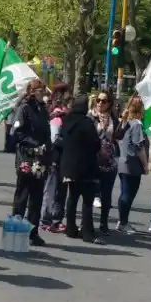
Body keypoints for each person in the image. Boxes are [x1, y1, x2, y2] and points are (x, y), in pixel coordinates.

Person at [11, 79, 51, 247]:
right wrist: (34, 145)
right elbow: (18, 133)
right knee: (22, 195)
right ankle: (16, 230)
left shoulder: (42, 109)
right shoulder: (25, 108)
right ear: (33, 91)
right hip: (27, 158)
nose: (44, 93)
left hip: (41, 159)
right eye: (41, 90)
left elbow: (46, 132)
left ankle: (32, 232)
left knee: (37, 196)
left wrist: (47, 148)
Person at [60, 95, 104, 244]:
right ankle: (87, 232)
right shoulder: (86, 123)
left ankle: (70, 228)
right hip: (85, 166)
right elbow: (95, 144)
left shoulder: (67, 121)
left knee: (72, 198)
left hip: (69, 166)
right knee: (87, 201)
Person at [40, 84, 72, 233]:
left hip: (63, 160)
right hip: (54, 159)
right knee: (51, 190)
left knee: (61, 191)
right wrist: (70, 143)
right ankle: (45, 219)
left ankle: (56, 220)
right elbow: (54, 139)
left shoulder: (64, 118)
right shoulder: (57, 118)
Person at [116, 96, 148, 234]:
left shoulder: (124, 122)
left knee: (124, 192)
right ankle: (123, 222)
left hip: (121, 161)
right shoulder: (137, 124)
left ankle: (122, 220)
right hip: (132, 163)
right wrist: (146, 165)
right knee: (129, 194)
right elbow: (139, 147)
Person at [89, 90, 119, 235]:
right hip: (93, 159)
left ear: (109, 103)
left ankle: (104, 223)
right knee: (90, 192)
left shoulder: (113, 117)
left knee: (106, 194)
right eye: (98, 100)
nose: (100, 103)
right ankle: (87, 223)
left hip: (109, 161)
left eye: (104, 101)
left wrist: (123, 125)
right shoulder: (90, 116)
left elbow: (118, 137)